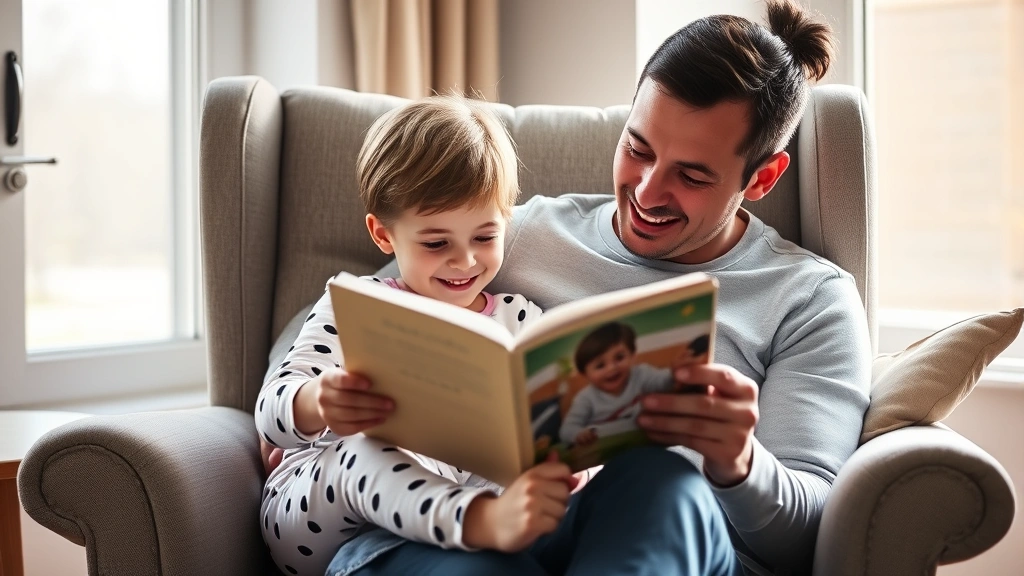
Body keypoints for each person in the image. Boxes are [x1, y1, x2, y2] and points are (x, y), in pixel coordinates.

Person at [269, 1, 871, 574]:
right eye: (637, 148)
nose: (647, 191)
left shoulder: (811, 300)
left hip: (653, 540)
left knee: (661, 480)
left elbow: (812, 537)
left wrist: (741, 465)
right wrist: (305, 415)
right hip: (449, 539)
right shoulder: (515, 232)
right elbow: (362, 313)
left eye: (690, 176)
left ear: (762, 177)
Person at [255, 94, 561, 576]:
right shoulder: (355, 304)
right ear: (383, 236)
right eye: (437, 243)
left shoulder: (522, 320)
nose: (465, 261)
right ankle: (478, 522)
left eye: (485, 236)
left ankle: (481, 521)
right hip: (326, 514)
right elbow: (270, 416)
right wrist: (316, 402)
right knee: (365, 449)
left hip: (456, 517)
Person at [560, 324, 711, 446]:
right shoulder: (585, 398)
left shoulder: (641, 374)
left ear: (632, 356)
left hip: (644, 438)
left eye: (619, 357)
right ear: (586, 375)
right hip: (605, 445)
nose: (612, 368)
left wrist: (673, 372)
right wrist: (578, 435)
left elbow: (663, 383)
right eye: (600, 365)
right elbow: (567, 430)